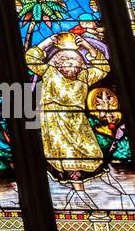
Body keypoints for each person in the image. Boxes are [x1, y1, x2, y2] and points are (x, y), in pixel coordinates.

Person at [26, 32, 109, 191]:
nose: (72, 64)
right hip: (55, 118)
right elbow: (31, 59)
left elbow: (103, 68)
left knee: (89, 150)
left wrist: (88, 47)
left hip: (78, 120)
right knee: (66, 153)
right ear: (57, 62)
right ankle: (77, 187)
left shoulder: (84, 75)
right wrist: (47, 41)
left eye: (76, 61)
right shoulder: (50, 71)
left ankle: (82, 187)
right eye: (67, 60)